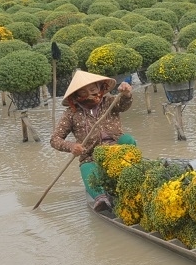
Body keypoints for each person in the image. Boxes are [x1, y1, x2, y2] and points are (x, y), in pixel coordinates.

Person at [50, 70, 135, 211]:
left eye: (93, 89)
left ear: (100, 87)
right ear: (76, 96)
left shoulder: (109, 101)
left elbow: (124, 105)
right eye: (83, 93)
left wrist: (126, 94)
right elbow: (55, 139)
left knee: (128, 139)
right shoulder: (71, 113)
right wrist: (72, 146)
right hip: (91, 155)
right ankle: (100, 197)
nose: (90, 95)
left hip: (116, 148)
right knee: (86, 168)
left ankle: (128, 175)